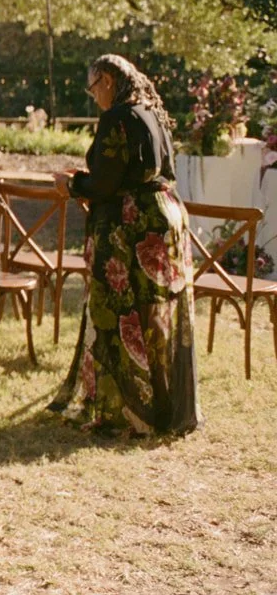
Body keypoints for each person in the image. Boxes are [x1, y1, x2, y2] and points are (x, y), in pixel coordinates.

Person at [51, 55, 199, 436]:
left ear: (109, 80)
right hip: (166, 218)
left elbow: (106, 183)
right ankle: (164, 408)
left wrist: (71, 184)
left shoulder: (117, 117)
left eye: (93, 86)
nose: (93, 95)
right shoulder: (152, 113)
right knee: (157, 317)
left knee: (121, 314)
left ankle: (129, 412)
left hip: (131, 227)